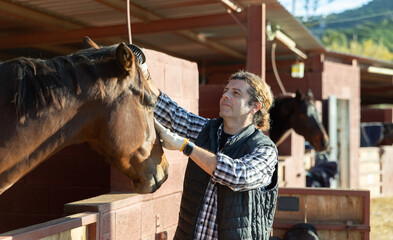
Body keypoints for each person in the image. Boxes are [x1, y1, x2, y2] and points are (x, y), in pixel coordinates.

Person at [147, 67, 278, 240]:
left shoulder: (265, 149)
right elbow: (171, 113)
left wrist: (187, 147)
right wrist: (144, 74)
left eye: (236, 93)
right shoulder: (206, 131)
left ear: (255, 107)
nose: (226, 96)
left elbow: (239, 176)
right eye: (226, 91)